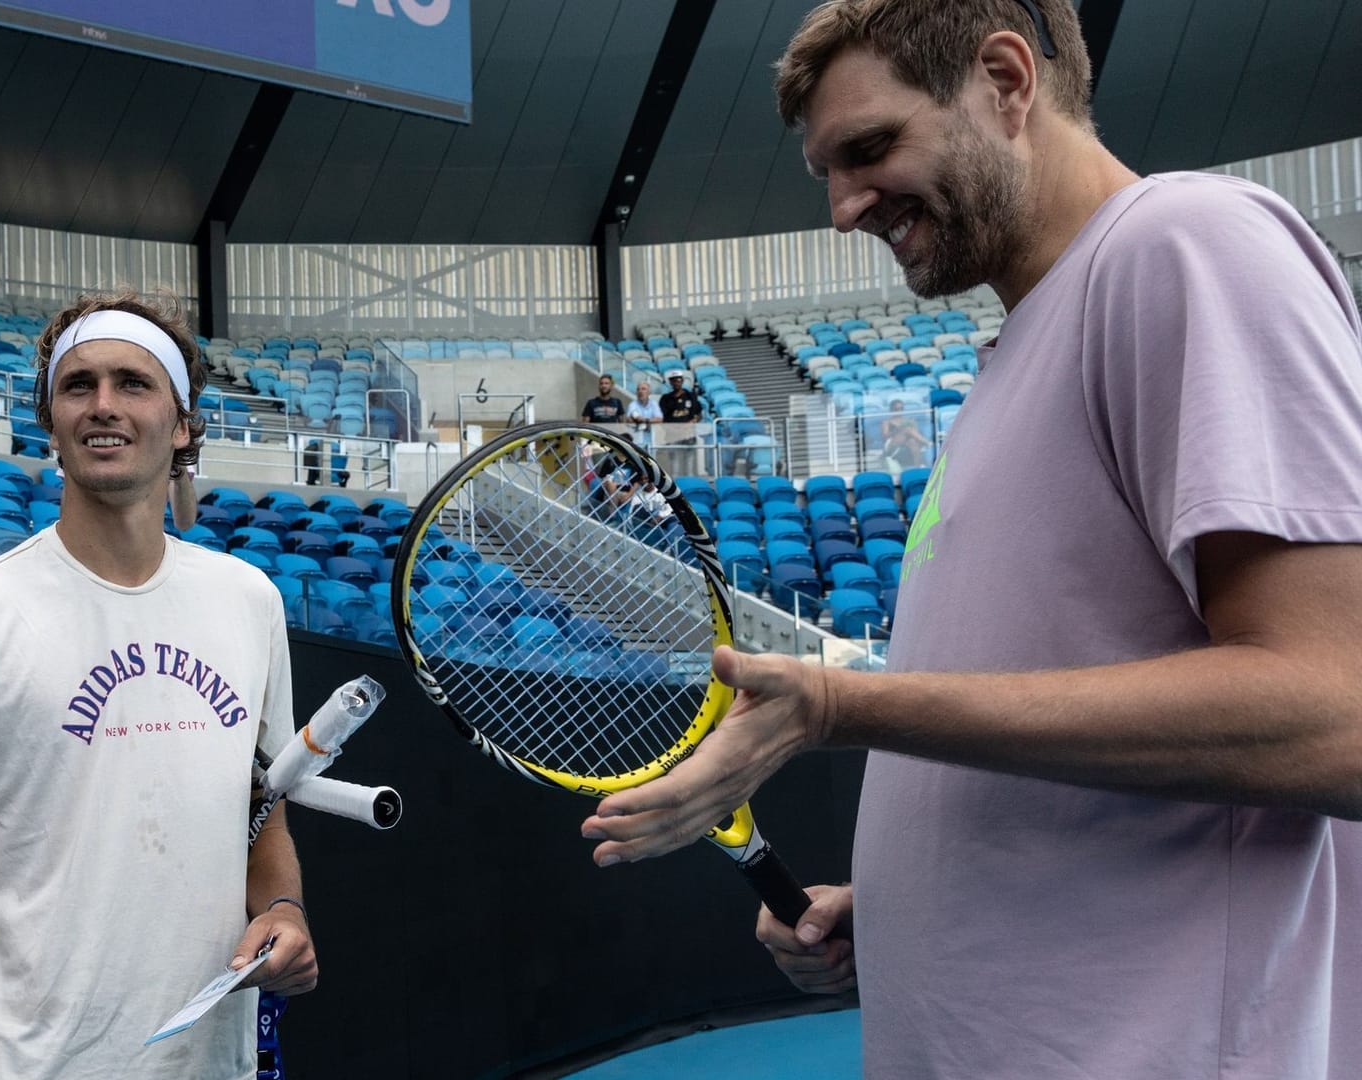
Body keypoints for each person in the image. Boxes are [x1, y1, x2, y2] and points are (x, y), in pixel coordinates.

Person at [579, 3, 1362, 1078]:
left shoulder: (1182, 242)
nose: (846, 206)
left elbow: (1338, 716)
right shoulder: (1019, 347)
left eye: (869, 149)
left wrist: (840, 706)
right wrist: (900, 907)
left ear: (1005, 79)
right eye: (828, 172)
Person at [0, 289, 316, 1080]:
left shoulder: (250, 602)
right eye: (78, 386)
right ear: (50, 419)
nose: (102, 406)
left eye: (132, 383)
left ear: (182, 423)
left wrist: (283, 909)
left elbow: (263, 813)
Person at [876, 398, 932, 472]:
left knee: (913, 442)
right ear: (891, 410)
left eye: (901, 408)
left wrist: (913, 425)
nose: (899, 411)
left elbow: (916, 433)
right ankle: (928, 443)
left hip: (907, 443)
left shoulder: (908, 421)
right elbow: (885, 436)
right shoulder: (887, 422)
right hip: (892, 444)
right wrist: (896, 430)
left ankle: (917, 467)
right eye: (896, 409)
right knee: (907, 429)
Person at [624, 380, 662, 449]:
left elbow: (659, 419)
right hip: (636, 441)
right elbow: (629, 420)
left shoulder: (654, 404)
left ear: (649, 392)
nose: (640, 391)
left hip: (651, 441)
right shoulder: (632, 404)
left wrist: (645, 420)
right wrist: (649, 420)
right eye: (638, 389)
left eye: (643, 389)